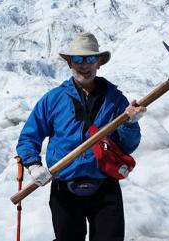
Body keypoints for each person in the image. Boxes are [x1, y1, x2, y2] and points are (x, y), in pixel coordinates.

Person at [16, 32, 147, 241]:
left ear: (99, 63)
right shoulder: (53, 99)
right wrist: (33, 164)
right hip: (65, 187)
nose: (83, 65)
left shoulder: (116, 100)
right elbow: (28, 138)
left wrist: (130, 124)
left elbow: (127, 146)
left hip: (105, 187)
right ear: (69, 62)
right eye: (78, 59)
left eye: (89, 59)